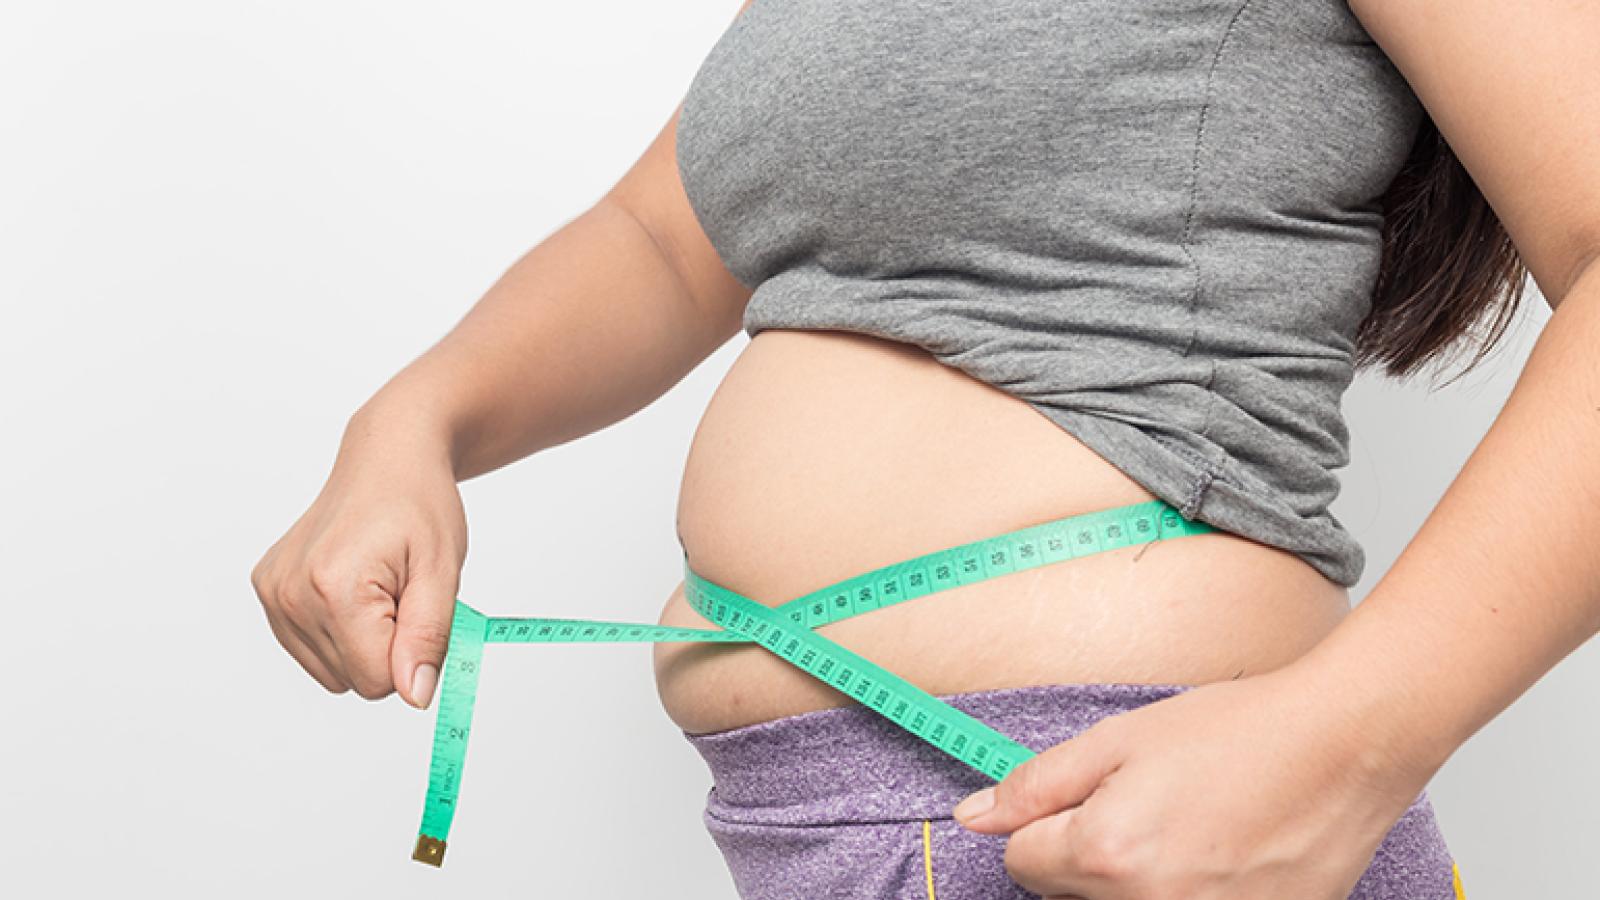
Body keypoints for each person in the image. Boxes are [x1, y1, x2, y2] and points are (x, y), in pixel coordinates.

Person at [250, 0, 1600, 896]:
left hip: (1128, 808)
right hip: (812, 823)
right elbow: (668, 240)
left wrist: (1351, 743)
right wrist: (413, 420)